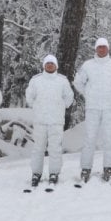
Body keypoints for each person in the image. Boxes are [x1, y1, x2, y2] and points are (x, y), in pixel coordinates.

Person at [74, 37, 111, 182]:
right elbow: (78, 82)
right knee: (89, 138)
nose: (102, 49)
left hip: (110, 107)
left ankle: (108, 168)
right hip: (92, 107)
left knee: (110, 138)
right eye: (99, 47)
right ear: (96, 49)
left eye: (104, 47)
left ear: (108, 49)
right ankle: (86, 168)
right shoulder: (87, 65)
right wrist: (88, 93)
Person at [25, 54, 74, 187]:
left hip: (56, 121)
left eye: (52, 63)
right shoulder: (36, 80)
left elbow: (69, 97)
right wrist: (36, 106)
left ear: (56, 65)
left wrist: (61, 106)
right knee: (38, 148)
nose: (50, 65)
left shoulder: (62, 80)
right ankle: (36, 173)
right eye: (48, 63)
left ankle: (54, 173)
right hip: (40, 120)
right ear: (44, 65)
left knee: (55, 148)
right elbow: (29, 97)